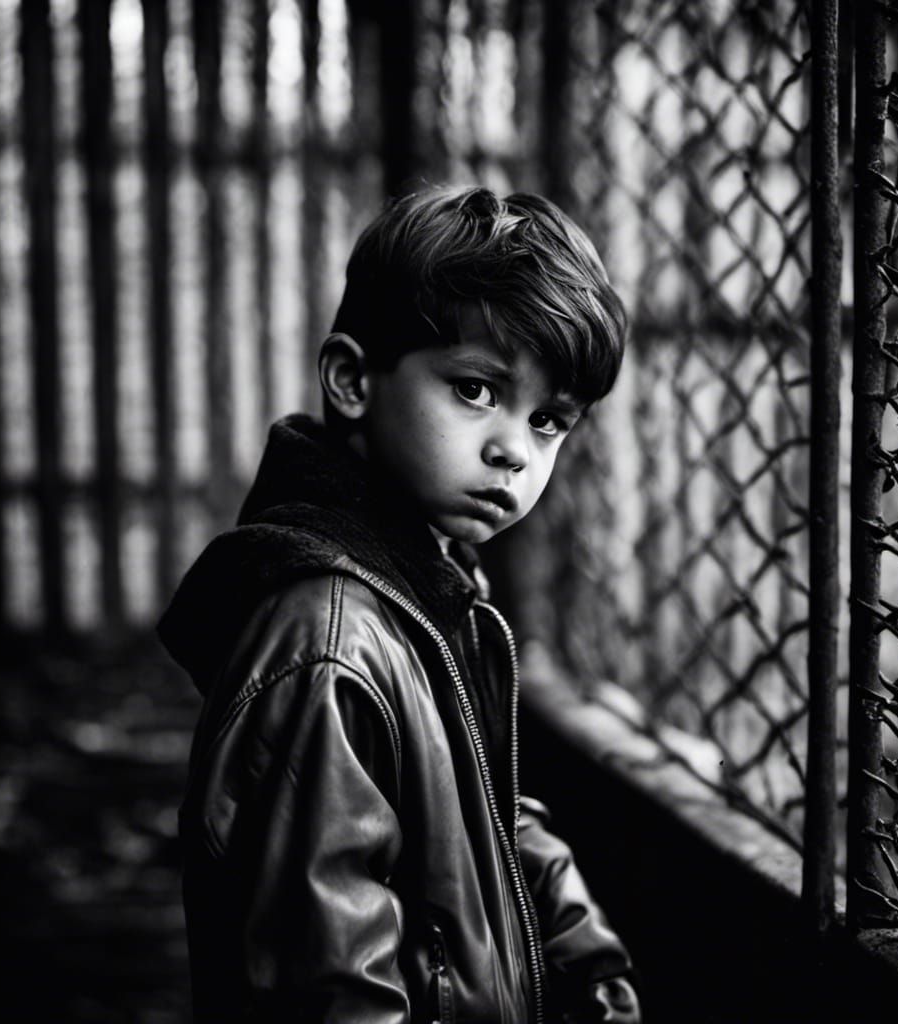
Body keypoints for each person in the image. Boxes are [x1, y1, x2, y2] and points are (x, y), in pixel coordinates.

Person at [158, 185, 641, 1023]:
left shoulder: (432, 583)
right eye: (477, 390)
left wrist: (589, 967)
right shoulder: (329, 640)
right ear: (352, 380)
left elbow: (490, 821)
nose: (513, 452)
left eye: (550, 420)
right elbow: (329, 980)